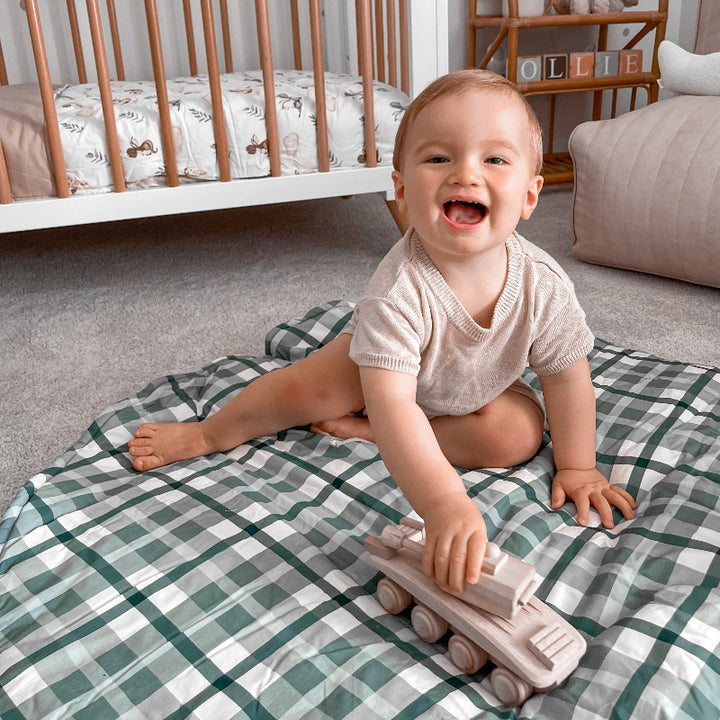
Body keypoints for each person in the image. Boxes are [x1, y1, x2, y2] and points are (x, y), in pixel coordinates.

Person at [129, 69, 635, 596]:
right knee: (303, 389)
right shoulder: (398, 289)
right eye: (439, 157)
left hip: (480, 383)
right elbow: (395, 403)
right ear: (399, 188)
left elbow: (567, 379)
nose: (466, 174)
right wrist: (443, 503)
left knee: (518, 437)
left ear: (530, 196)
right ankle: (213, 431)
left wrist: (579, 468)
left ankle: (371, 435)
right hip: (379, 373)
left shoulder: (543, 285)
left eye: (495, 159)